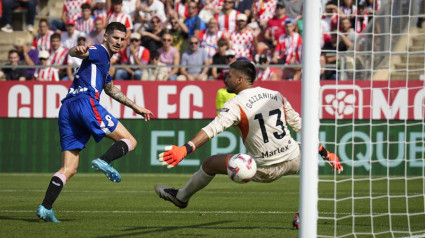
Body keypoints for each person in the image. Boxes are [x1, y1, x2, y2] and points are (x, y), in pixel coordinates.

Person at [153, 60, 343, 225]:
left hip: (264, 169)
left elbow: (212, 129)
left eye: (229, 76)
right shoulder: (276, 95)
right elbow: (301, 125)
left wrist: (185, 149)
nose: (225, 78)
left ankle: (181, 197)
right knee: (306, 154)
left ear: (240, 80)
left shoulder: (235, 104)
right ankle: (304, 216)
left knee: (209, 164)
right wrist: (325, 153)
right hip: (293, 160)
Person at [36, 22, 153, 223]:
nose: (119, 42)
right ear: (105, 36)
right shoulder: (99, 51)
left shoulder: (104, 63)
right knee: (130, 141)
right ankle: (104, 161)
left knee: (69, 168)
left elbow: (110, 89)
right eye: (115, 37)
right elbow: (77, 52)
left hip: (67, 109)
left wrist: (136, 107)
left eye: (122, 39)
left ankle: (45, 207)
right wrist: (77, 49)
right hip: (84, 103)